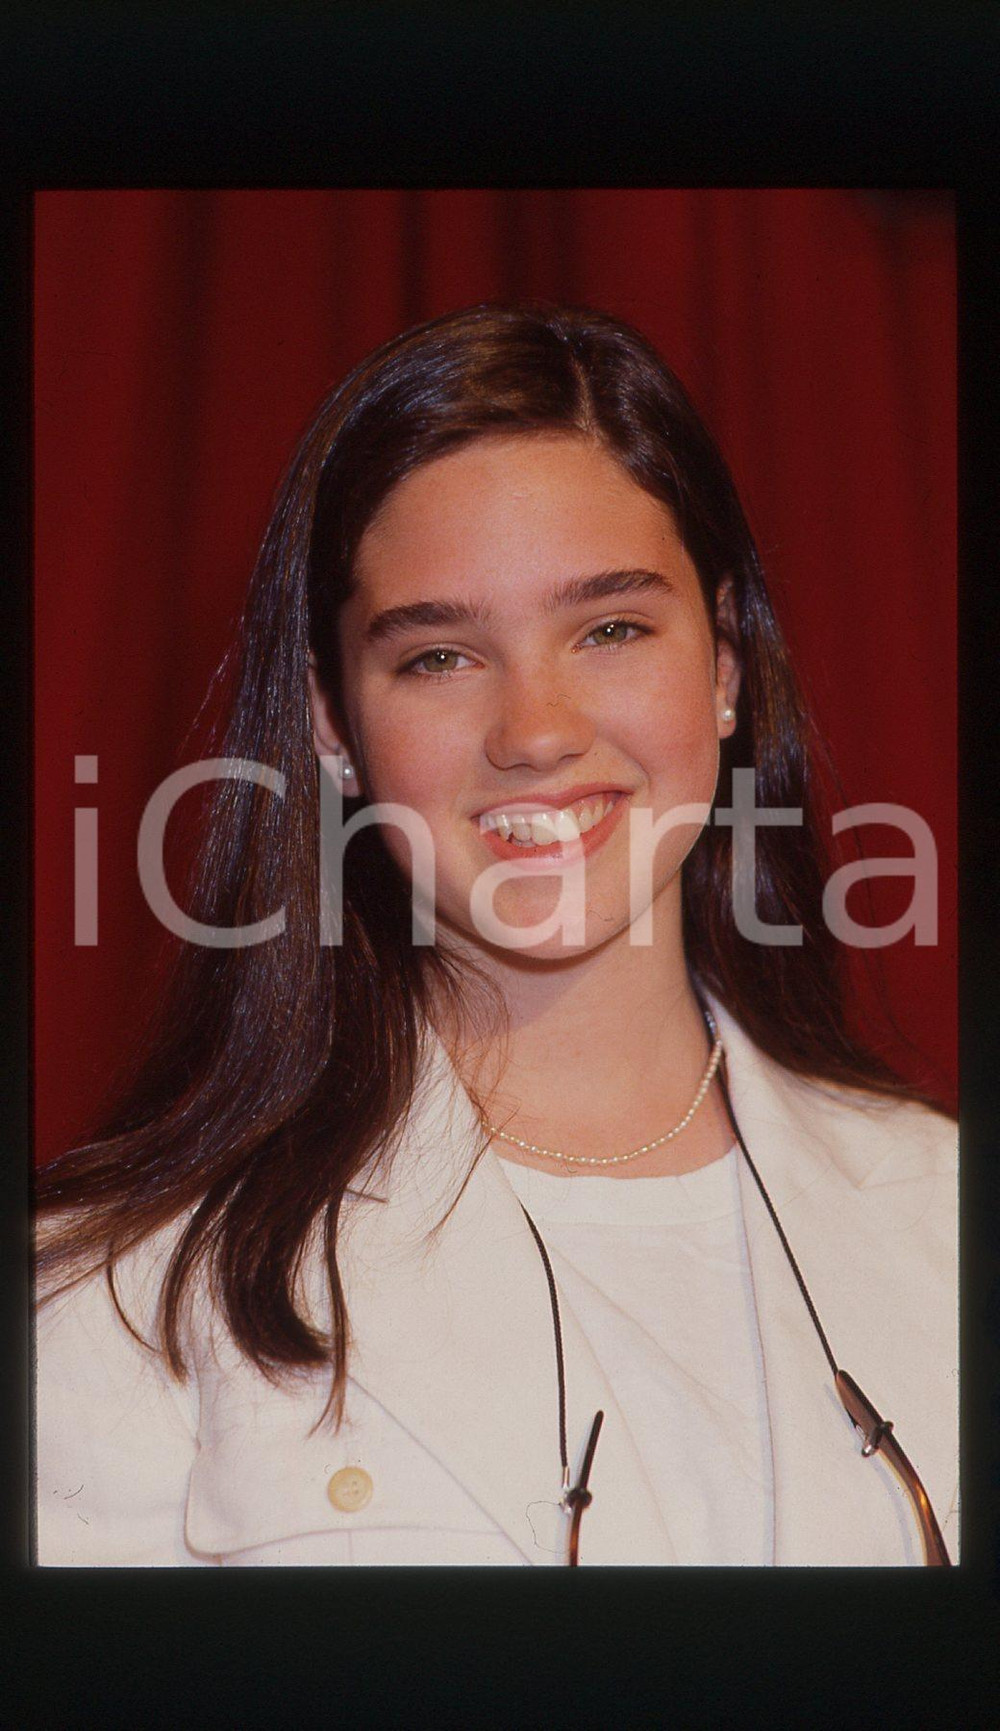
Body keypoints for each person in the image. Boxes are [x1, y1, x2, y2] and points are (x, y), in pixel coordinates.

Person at [35, 302, 957, 1568]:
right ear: (330, 724)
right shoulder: (116, 1295)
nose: (535, 729)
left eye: (611, 629)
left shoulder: (941, 1210)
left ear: (728, 664)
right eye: (439, 657)